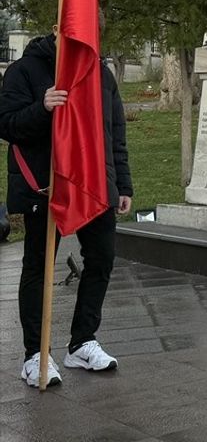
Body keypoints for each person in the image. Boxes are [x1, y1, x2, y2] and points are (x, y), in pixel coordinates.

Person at [0, 29, 132, 387]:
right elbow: (7, 124)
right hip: (46, 186)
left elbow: (114, 132)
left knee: (101, 260)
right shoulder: (25, 70)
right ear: (60, 28)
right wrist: (41, 108)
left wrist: (122, 184)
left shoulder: (101, 75)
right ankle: (34, 355)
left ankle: (82, 342)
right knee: (38, 266)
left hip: (95, 186)